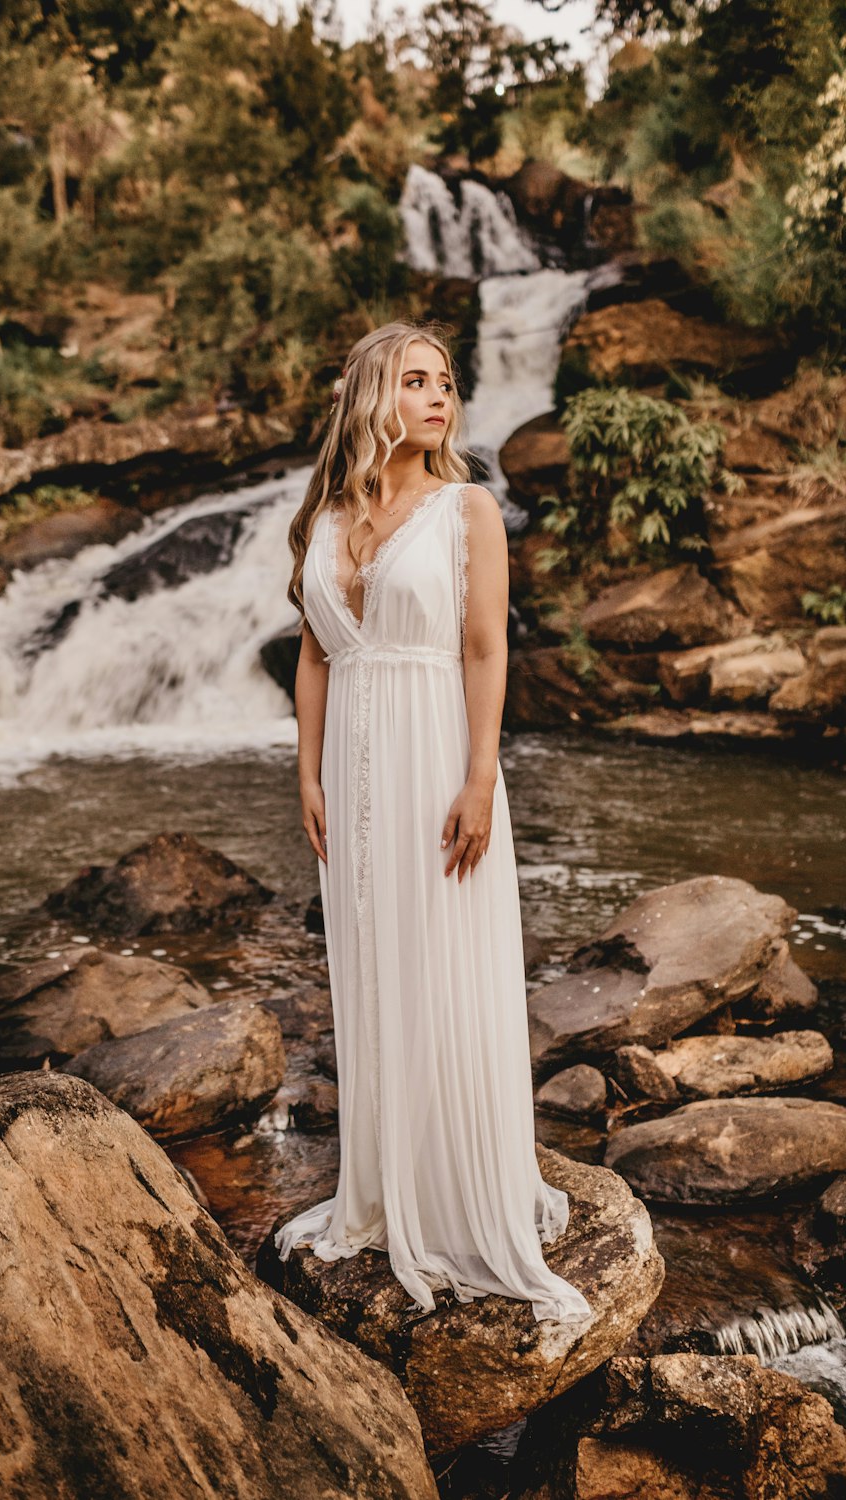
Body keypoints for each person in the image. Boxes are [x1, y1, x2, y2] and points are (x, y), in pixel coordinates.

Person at [275, 320, 592, 1326]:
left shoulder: (469, 509)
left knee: (443, 960)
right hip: (353, 773)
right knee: (374, 962)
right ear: (373, 395)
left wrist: (480, 775)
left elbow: (486, 647)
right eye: (416, 381)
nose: (439, 397)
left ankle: (464, 1191)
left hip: (435, 754)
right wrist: (307, 774)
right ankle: (380, 1184)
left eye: (446, 382)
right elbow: (316, 655)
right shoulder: (324, 516)